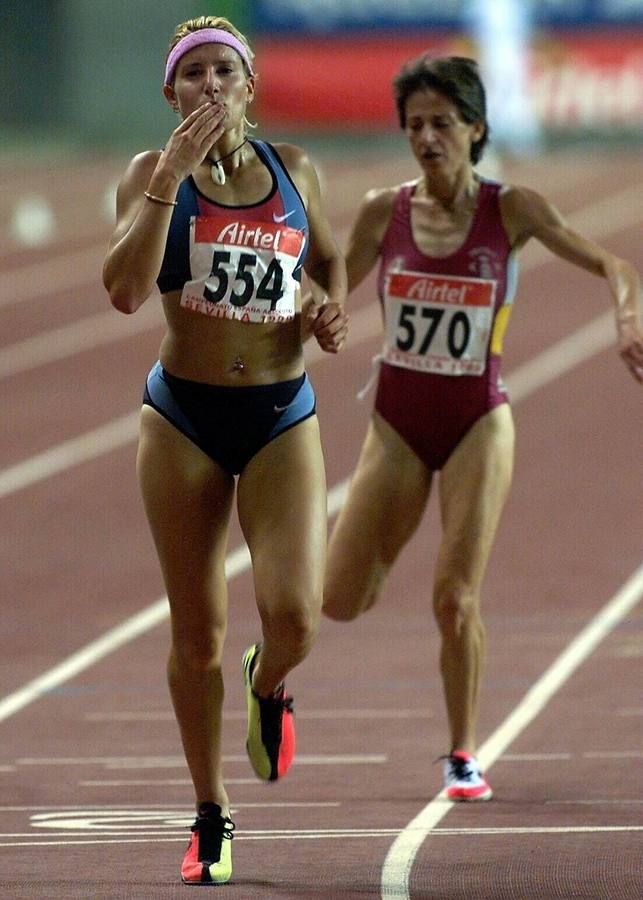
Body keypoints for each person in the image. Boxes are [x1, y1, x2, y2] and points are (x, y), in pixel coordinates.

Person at [323, 54, 643, 803]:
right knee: (338, 601)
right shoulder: (384, 210)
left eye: (441, 122)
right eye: (414, 125)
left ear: (475, 128)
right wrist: (315, 302)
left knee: (454, 596)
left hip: (478, 418)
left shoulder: (514, 210)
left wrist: (625, 312)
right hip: (398, 419)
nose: (426, 137)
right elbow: (331, 278)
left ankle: (462, 752)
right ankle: (266, 680)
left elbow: (613, 262)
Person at [102, 15, 348, 886]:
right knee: (196, 632)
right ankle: (210, 812)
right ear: (170, 93)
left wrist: (328, 303)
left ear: (251, 86)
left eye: (224, 72)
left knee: (296, 617)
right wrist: (168, 177)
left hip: (281, 410)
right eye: (193, 74)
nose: (210, 86)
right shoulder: (147, 175)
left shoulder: (296, 168)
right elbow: (126, 293)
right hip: (182, 420)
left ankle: (270, 682)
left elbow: (327, 258)